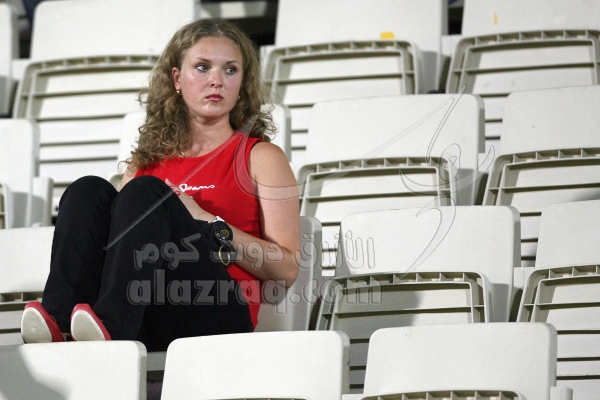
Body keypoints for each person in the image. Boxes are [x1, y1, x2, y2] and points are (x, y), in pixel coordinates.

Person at [20, 18, 300, 352]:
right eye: (202, 67)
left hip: (215, 310)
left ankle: (112, 329)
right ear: (177, 79)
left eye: (230, 70)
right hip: (147, 312)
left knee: (147, 193)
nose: (216, 80)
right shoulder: (145, 164)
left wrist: (209, 224)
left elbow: (286, 270)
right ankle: (59, 319)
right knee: (87, 190)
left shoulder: (260, 156)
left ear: (242, 82)